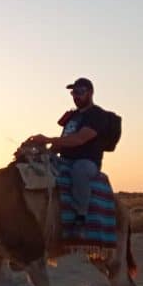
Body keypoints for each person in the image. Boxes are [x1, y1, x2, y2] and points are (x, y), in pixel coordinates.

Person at [26, 77, 110, 225]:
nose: (76, 96)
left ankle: (81, 213)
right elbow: (63, 139)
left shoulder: (97, 115)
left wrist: (48, 139)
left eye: (80, 92)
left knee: (79, 170)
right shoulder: (72, 116)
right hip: (64, 159)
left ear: (90, 93)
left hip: (87, 161)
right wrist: (47, 152)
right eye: (73, 93)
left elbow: (79, 139)